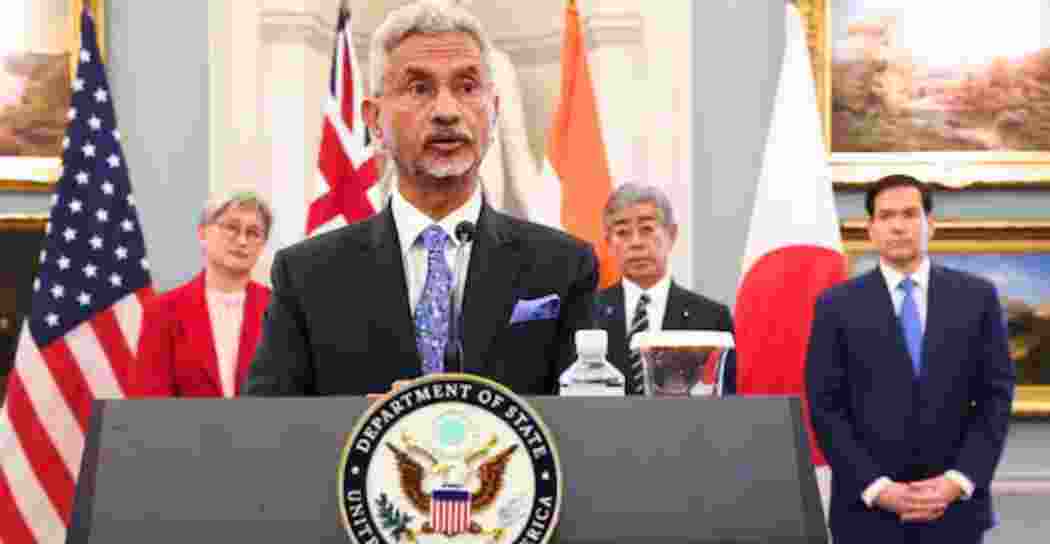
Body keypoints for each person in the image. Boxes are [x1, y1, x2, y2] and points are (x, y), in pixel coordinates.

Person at [241, 0, 597, 397]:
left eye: (466, 87)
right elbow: (271, 428)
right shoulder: (305, 276)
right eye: (419, 88)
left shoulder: (564, 268)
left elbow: (586, 431)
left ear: (494, 113)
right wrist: (369, 424)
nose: (447, 111)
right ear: (374, 121)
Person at [805, 174, 1015, 544]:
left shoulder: (977, 298)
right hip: (867, 515)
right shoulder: (836, 306)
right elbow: (825, 408)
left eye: (909, 214)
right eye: (886, 216)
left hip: (954, 513)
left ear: (930, 224)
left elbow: (995, 400)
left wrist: (957, 480)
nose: (898, 225)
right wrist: (878, 487)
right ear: (871, 229)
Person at [593, 183, 735, 395]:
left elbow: (728, 398)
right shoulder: (588, 312)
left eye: (647, 229)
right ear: (608, 243)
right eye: (622, 232)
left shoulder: (711, 317)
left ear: (672, 234)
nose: (636, 243)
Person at [131, 191, 273, 397]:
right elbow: (150, 404)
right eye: (232, 228)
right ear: (203, 233)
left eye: (253, 232)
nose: (242, 241)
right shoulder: (163, 311)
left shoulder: (279, 310)